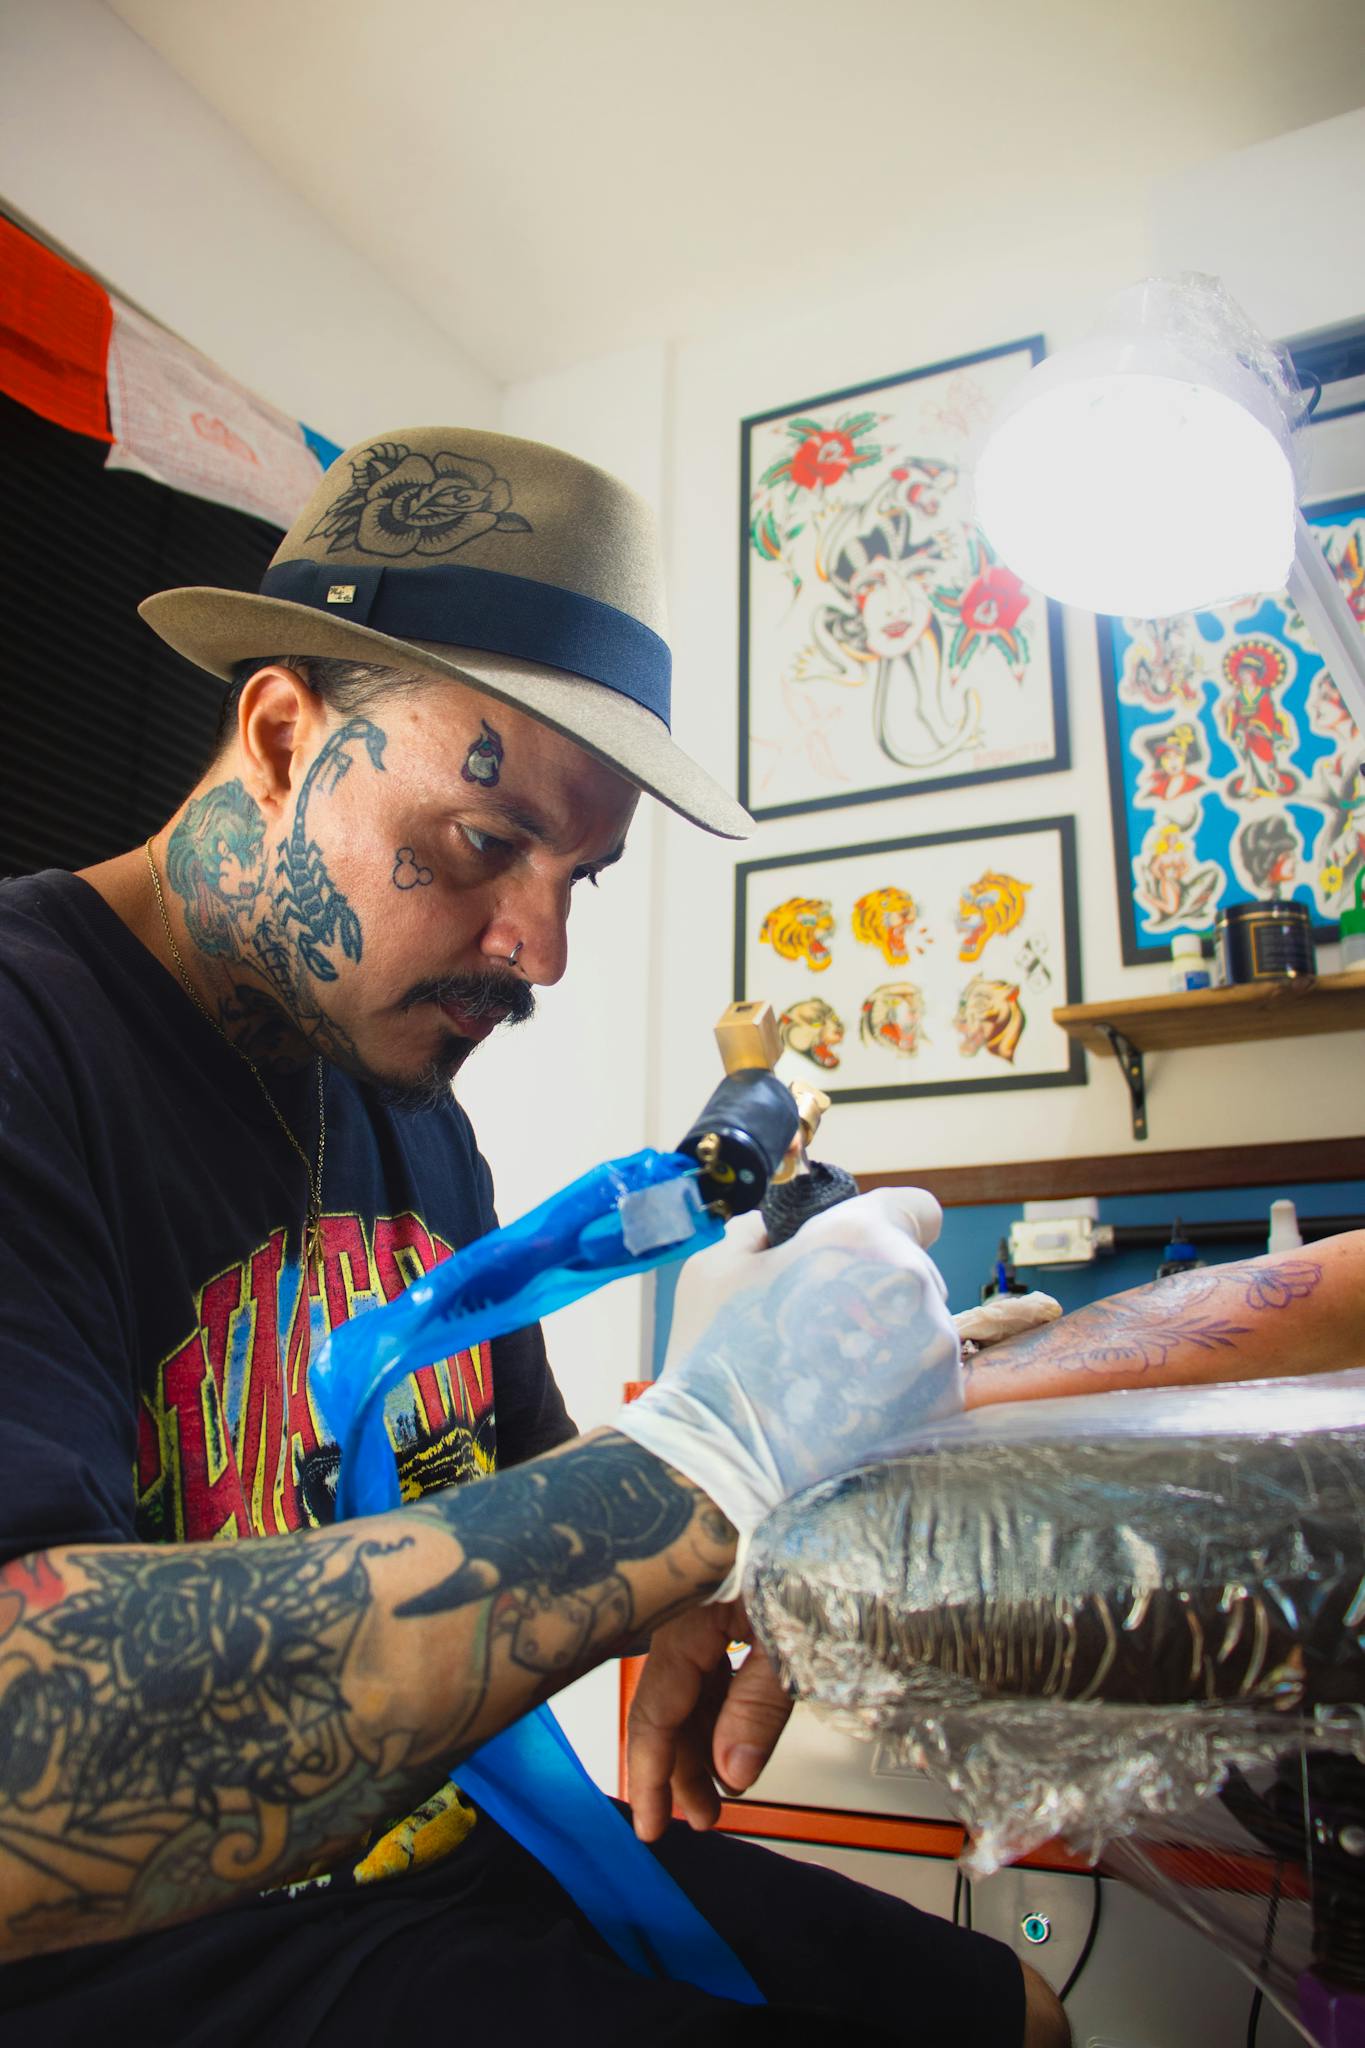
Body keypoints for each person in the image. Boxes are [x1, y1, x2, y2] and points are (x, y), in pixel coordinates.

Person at [0, 428, 1066, 2047]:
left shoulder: (408, 1115)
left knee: (1010, 2012)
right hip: (128, 1954)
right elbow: (26, 1757)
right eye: (483, 845)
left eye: (582, 873)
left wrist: (742, 1542)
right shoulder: (27, 1036)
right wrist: (700, 1472)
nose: (541, 949)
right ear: (283, 735)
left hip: (429, 1860)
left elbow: (514, 1482)